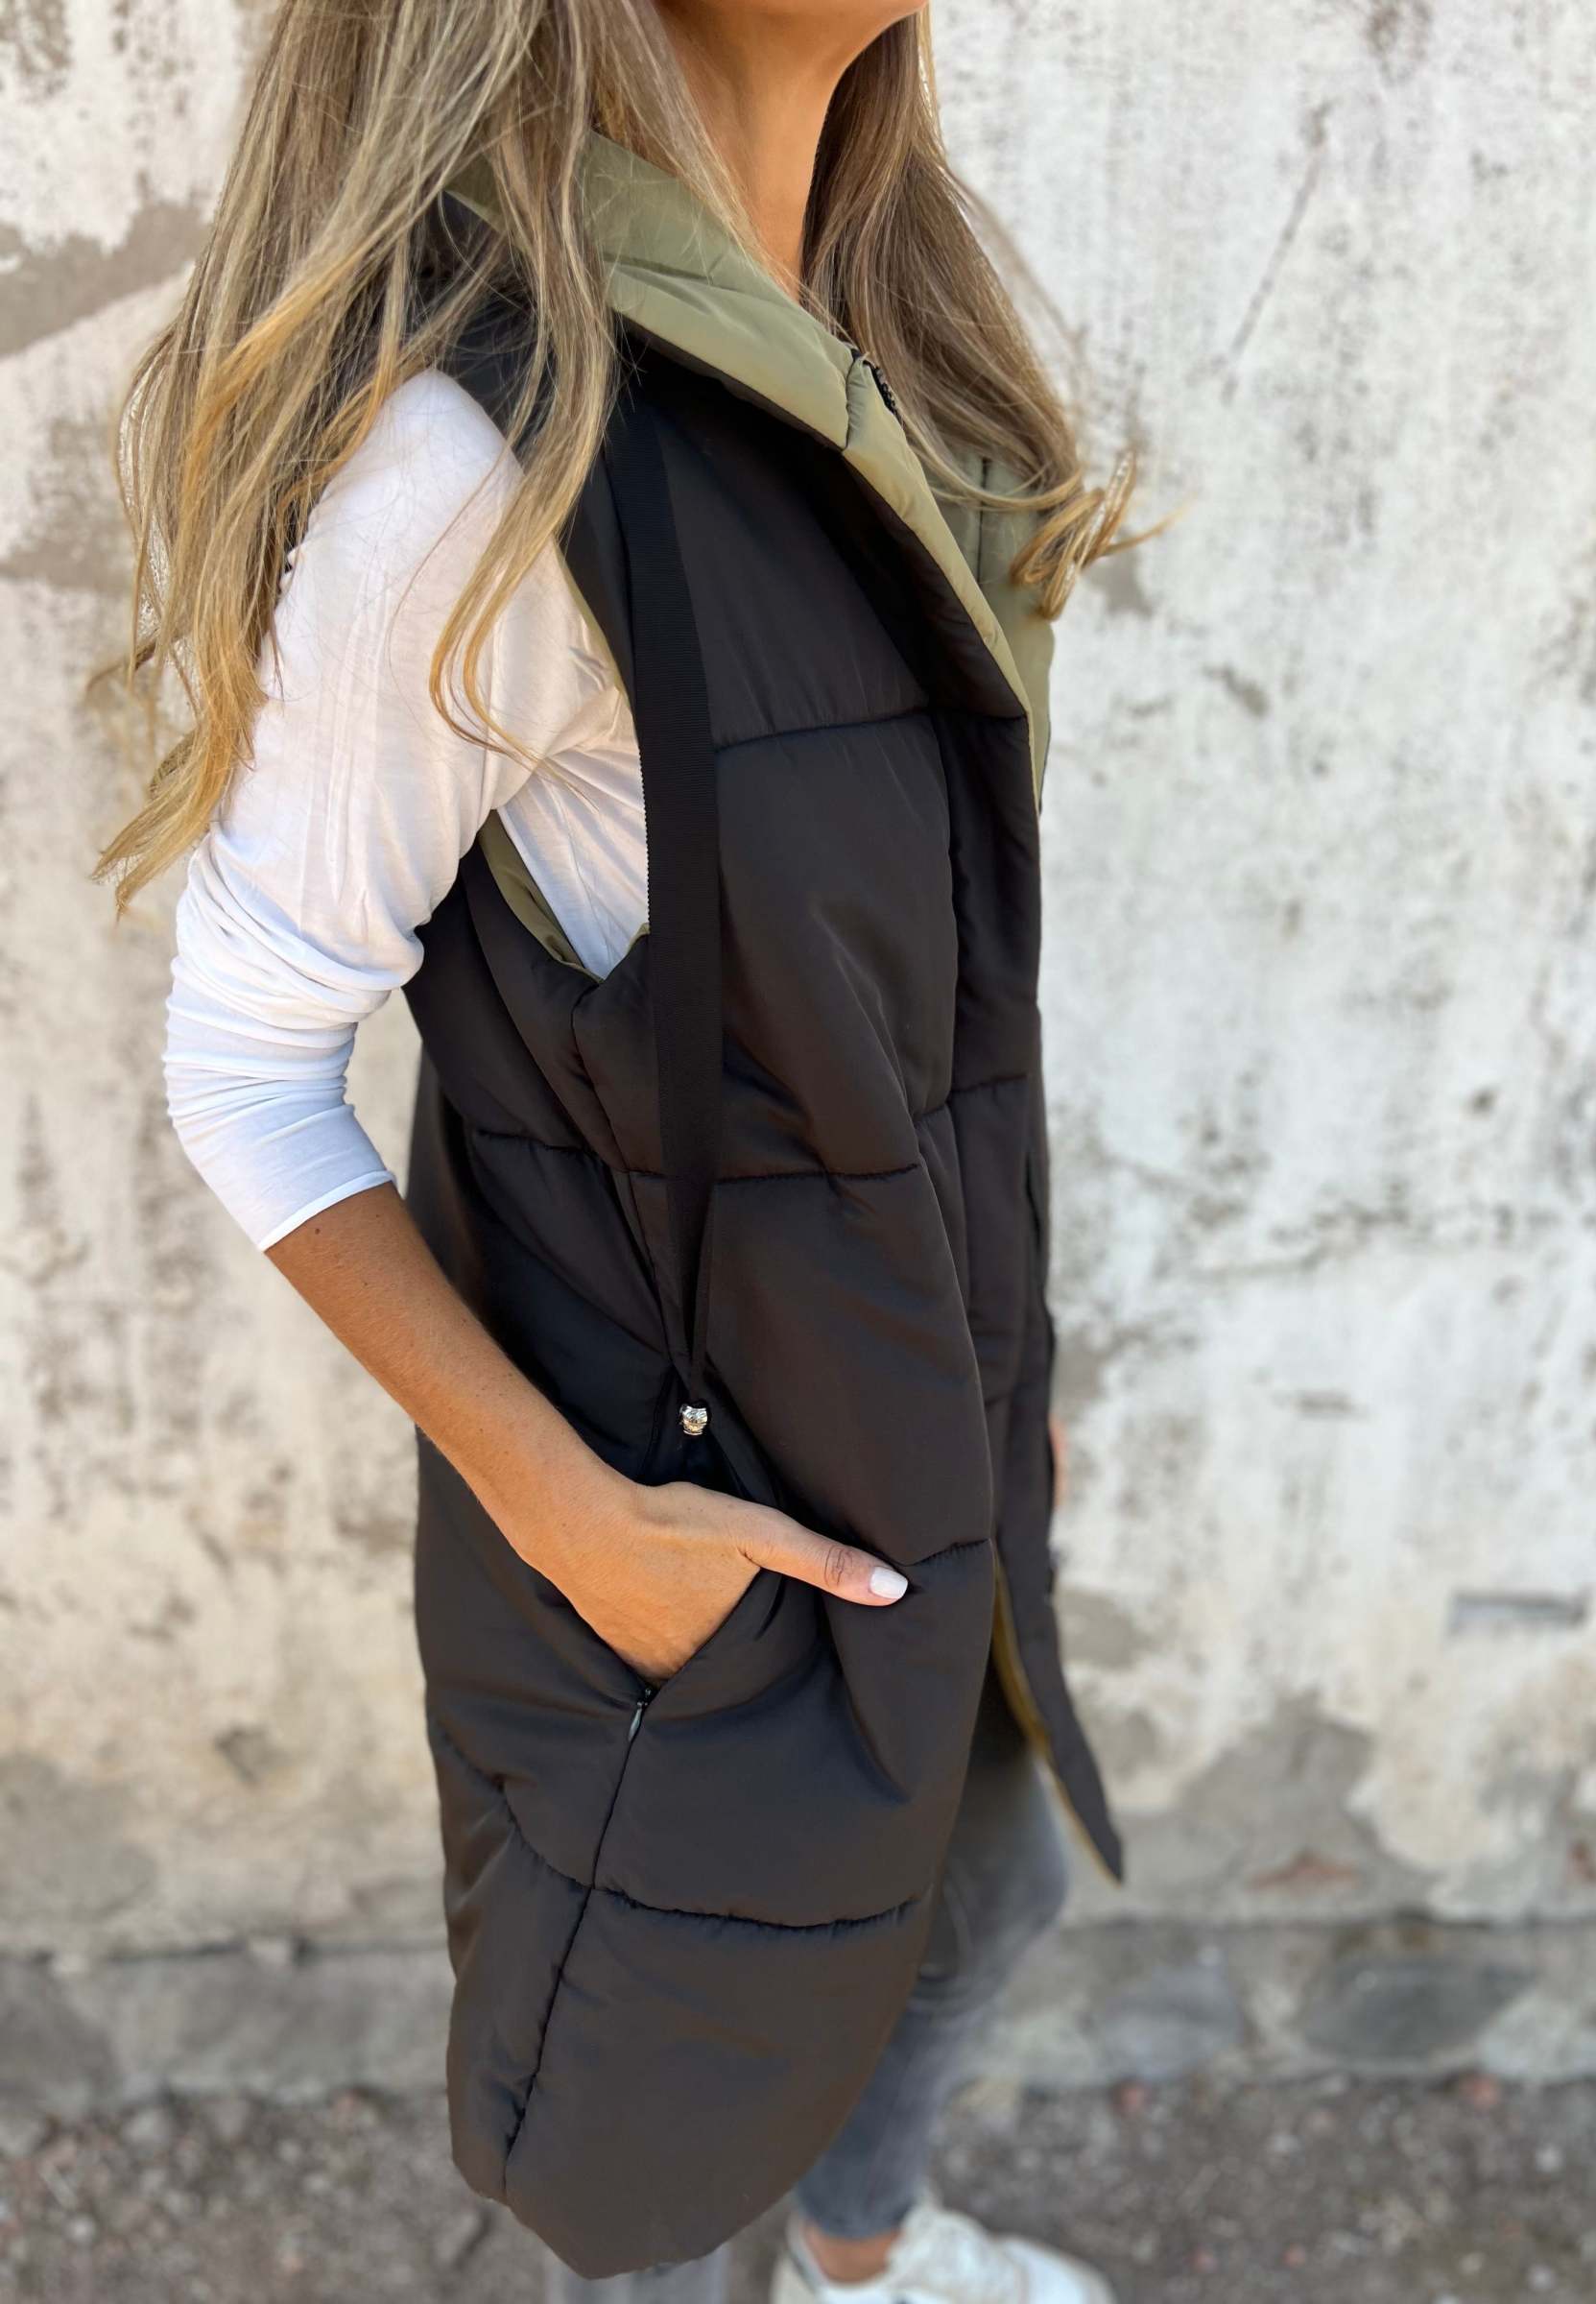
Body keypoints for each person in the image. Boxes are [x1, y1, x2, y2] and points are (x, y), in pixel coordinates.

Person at [98, 4, 1142, 2298]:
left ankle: (863, 2274)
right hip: (687, 1472)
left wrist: (1001, 1361)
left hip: (918, 1399)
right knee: (664, 2105)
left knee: (983, 1885)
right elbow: (244, 1063)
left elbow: (913, 995)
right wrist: (572, 1518)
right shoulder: (482, 465)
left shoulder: (873, 343)